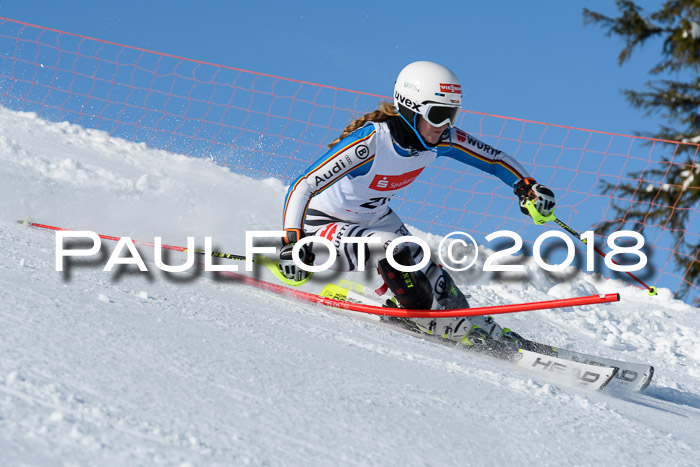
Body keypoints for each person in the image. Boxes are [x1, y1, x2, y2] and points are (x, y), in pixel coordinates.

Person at [278, 61, 555, 347]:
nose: (445, 126)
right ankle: (423, 316)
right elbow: (303, 185)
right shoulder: (372, 142)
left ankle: (484, 329)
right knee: (390, 247)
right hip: (324, 225)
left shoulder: (441, 139)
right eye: (438, 115)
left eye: (452, 115)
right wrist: (291, 243)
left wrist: (527, 187)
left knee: (433, 274)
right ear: (411, 109)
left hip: (375, 218)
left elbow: (495, 160)